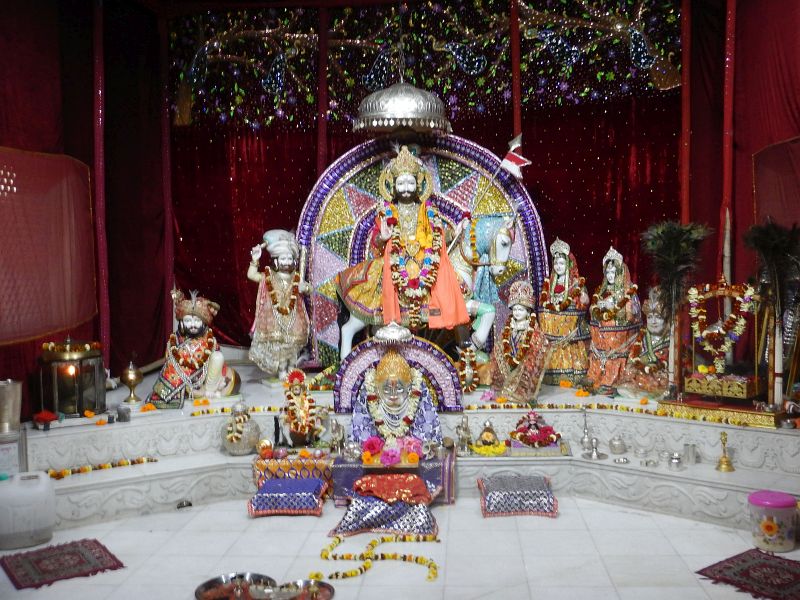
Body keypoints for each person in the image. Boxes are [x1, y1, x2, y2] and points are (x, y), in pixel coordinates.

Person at [336, 145, 469, 356]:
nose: (406, 187)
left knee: (444, 279)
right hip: (394, 261)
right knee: (384, 279)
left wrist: (455, 232)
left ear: (418, 184)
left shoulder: (428, 211)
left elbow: (437, 235)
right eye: (401, 183)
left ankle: (460, 346)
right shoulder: (386, 211)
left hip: (424, 260)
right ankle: (347, 359)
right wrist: (383, 237)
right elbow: (376, 243)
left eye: (410, 182)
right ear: (393, 185)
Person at [150, 289, 237, 408]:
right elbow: (170, 365)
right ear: (181, 323)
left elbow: (218, 365)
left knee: (218, 356)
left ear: (204, 322)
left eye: (196, 321)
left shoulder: (209, 339)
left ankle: (209, 390)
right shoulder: (175, 341)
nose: (192, 325)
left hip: (205, 380)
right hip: (186, 383)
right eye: (187, 321)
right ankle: (193, 392)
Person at [248, 229, 311, 380]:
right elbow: (251, 275)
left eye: (290, 258)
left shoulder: (296, 277)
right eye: (283, 258)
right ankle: (282, 369)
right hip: (274, 317)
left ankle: (292, 368)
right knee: (280, 345)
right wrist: (255, 260)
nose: (287, 262)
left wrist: (305, 288)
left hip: (294, 317)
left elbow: (309, 288)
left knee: (292, 344)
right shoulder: (270, 276)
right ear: (275, 260)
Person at [349, 345, 443, 445]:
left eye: (399, 388)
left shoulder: (418, 392)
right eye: (387, 389)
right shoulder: (369, 390)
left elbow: (428, 442)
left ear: (409, 387)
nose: (393, 395)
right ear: (377, 389)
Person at [586, 246, 642, 393]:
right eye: (608, 272)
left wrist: (613, 307)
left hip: (619, 337)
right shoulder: (601, 291)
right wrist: (598, 307)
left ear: (619, 273)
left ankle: (615, 378)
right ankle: (598, 374)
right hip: (601, 336)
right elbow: (593, 310)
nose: (610, 276)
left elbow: (632, 315)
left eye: (613, 272)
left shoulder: (627, 292)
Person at [537, 238, 590, 385]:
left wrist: (583, 297)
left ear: (568, 264)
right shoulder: (549, 284)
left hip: (569, 331)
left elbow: (584, 303)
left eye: (561, 263)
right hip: (552, 330)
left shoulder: (575, 283)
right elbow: (543, 303)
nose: (558, 266)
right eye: (556, 263)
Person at [490, 280, 550, 403]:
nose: (517, 313)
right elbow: (501, 345)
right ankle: (506, 386)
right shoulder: (508, 326)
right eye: (515, 309)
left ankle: (520, 390)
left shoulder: (533, 328)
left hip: (524, 368)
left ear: (528, 312)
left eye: (521, 310)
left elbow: (540, 345)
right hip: (507, 366)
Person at [618, 287, 670, 397]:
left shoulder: (670, 339)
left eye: (658, 317)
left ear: (666, 319)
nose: (653, 321)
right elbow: (632, 359)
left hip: (660, 375)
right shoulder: (641, 337)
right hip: (640, 374)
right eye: (650, 317)